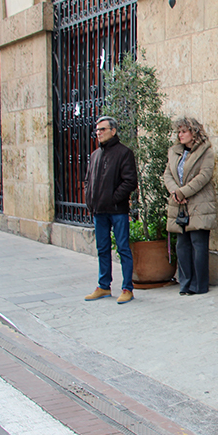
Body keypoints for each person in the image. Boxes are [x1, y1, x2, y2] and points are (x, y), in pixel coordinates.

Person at [84, 115, 138, 304]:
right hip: (99, 211)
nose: (98, 133)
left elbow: (130, 181)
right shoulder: (95, 155)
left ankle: (127, 288)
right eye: (97, 130)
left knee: (123, 248)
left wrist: (113, 198)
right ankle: (104, 286)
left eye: (102, 129)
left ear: (113, 131)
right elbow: (88, 180)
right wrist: (89, 199)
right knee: (102, 248)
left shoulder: (124, 153)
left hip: (117, 210)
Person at [164, 117, 216, 295]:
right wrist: (175, 192)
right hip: (179, 204)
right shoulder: (174, 152)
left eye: (183, 131)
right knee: (182, 246)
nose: (180, 135)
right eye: (178, 132)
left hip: (199, 203)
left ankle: (199, 285)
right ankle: (185, 284)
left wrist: (183, 192)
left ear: (194, 132)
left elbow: (204, 175)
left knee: (198, 244)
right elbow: (167, 175)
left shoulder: (205, 151)